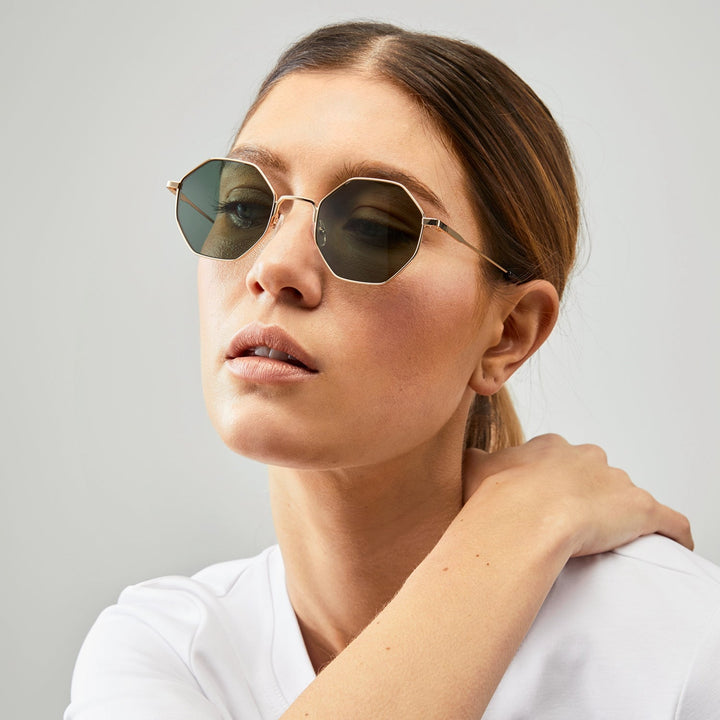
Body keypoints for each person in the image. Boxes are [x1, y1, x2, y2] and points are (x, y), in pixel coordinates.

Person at [65, 21, 719, 719]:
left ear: (508, 333)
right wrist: (519, 525)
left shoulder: (678, 645)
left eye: (375, 227)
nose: (274, 267)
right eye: (243, 206)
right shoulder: (166, 649)